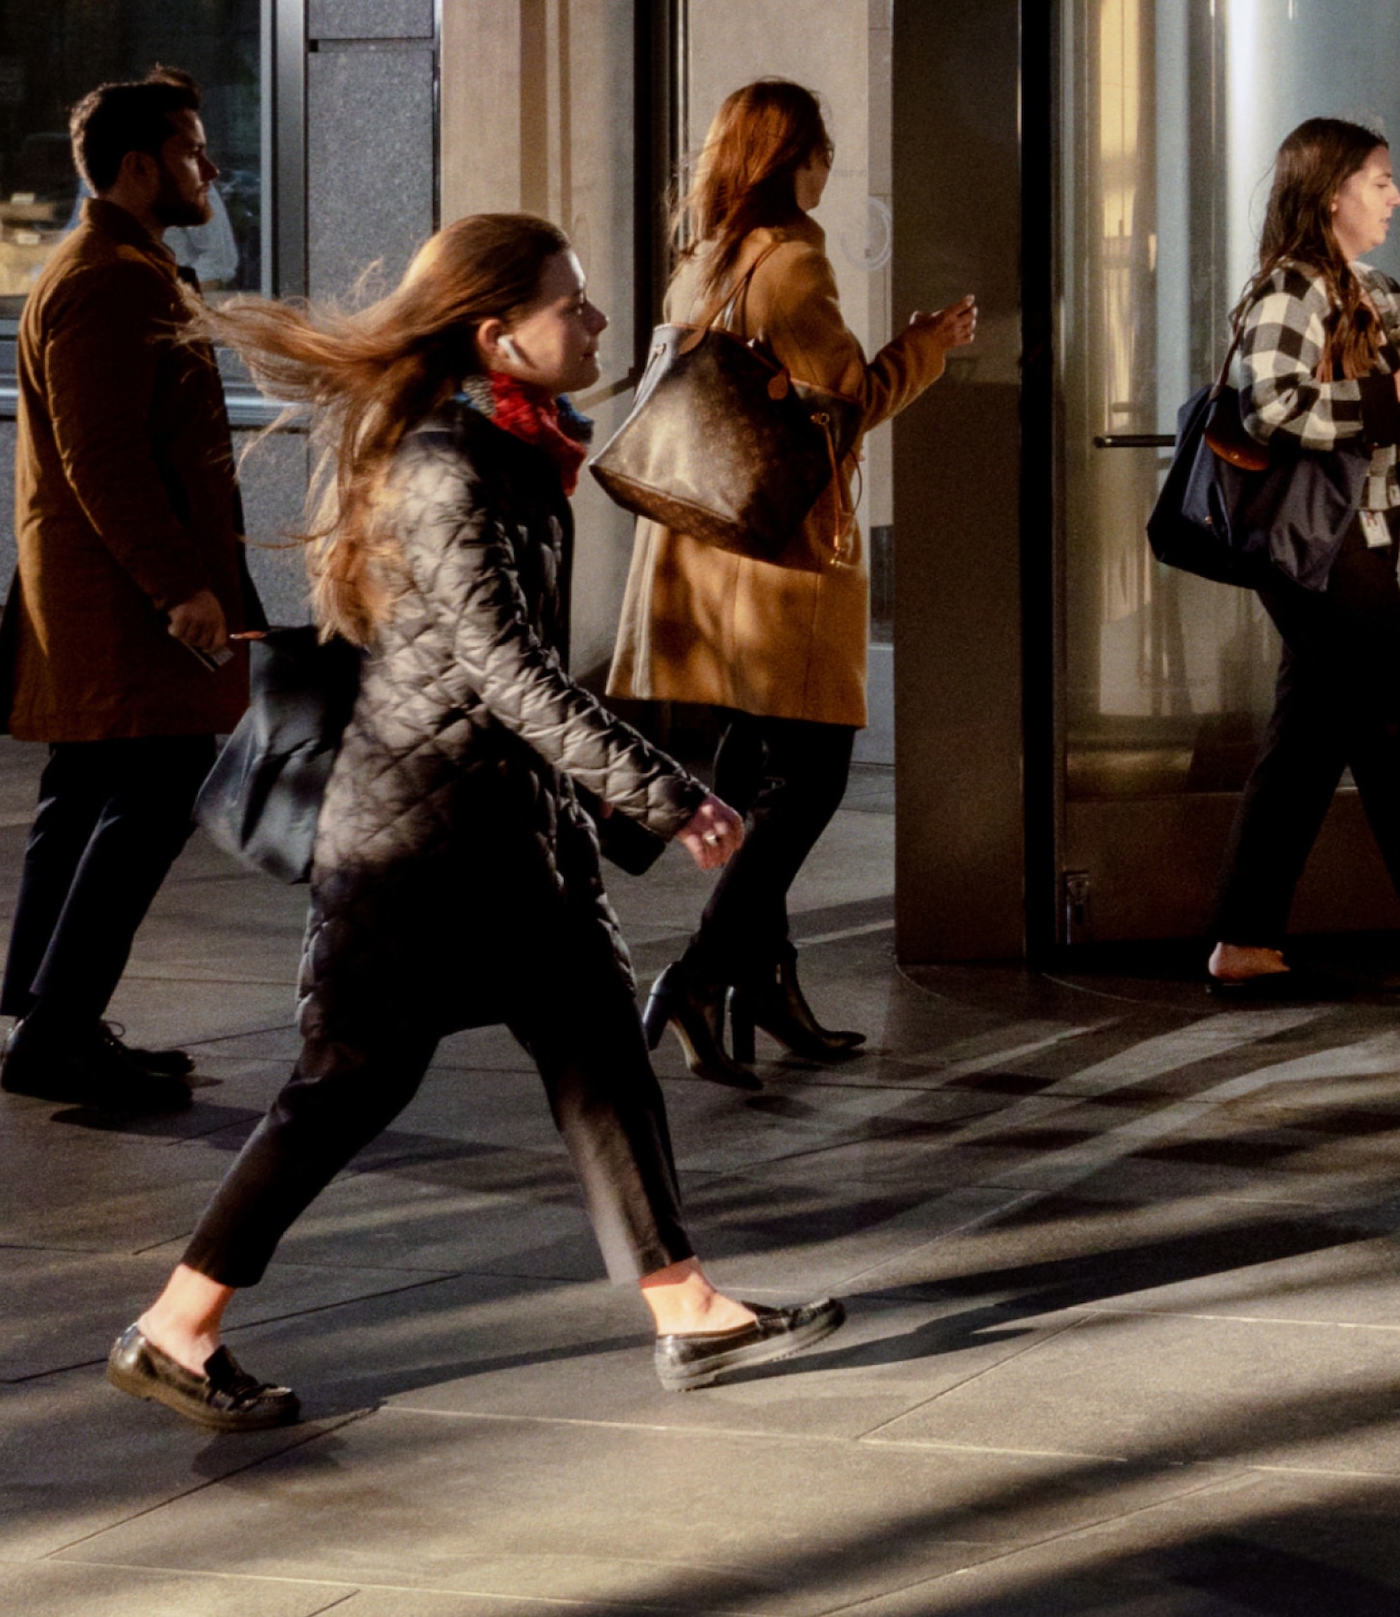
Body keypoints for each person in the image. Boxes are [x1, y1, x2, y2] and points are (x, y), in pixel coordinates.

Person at [113, 214, 831, 1432]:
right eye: (572, 304)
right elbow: (510, 674)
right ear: (499, 336)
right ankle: (176, 1326)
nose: (596, 321)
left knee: (600, 1054)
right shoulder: (447, 466)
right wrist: (666, 796)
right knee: (348, 1086)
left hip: (506, 834)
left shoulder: (512, 447)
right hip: (418, 849)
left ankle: (687, 1306)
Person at [609, 80, 979, 1086]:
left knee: (757, 773)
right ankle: (699, 977)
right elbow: (846, 405)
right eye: (821, 151)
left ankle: (763, 983)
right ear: (792, 160)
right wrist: (926, 347)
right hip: (779, 565)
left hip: (708, 561)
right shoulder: (791, 265)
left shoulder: (703, 261)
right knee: (809, 783)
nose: (828, 168)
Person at [0, 69, 265, 1108]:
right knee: (155, 789)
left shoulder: (119, 264)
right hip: (124, 600)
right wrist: (179, 585)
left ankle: (43, 1020)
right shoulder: (110, 278)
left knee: (84, 795)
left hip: (106, 593)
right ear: (140, 167)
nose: (209, 169)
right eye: (192, 150)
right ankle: (55, 1027)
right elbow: (101, 456)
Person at [1200, 117, 1400, 1000]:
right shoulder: (1290, 289)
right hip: (1314, 543)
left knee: (1308, 741)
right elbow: (1270, 408)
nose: (1395, 196)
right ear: (1331, 190)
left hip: (1356, 535)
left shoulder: (1371, 289)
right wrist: (1394, 389)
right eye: (1380, 180)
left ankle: (1243, 942)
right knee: (1398, 727)